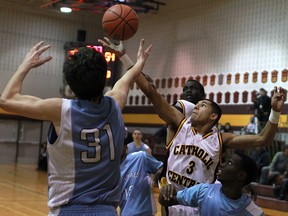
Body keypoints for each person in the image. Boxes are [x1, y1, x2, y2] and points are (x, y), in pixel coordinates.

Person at [97, 37, 286, 215]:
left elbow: (263, 139)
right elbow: (149, 89)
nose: (196, 107)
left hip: (199, 205)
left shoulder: (221, 139)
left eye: (202, 105)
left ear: (213, 116)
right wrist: (124, 56)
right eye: (196, 105)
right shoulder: (179, 124)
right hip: (171, 199)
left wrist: (275, 111)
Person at [0, 39, 152, 215]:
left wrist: (25, 65)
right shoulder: (115, 104)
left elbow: (6, 99)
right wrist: (137, 60)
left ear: (70, 85)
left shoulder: (60, 110)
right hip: (106, 210)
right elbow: (129, 76)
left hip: (67, 210)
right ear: (104, 79)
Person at [158, 152, 264, 216]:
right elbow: (166, 201)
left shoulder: (254, 213)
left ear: (241, 176)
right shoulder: (203, 191)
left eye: (230, 162)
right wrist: (165, 193)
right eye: (224, 160)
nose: (221, 164)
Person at [119, 142, 163, 215]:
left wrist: (154, 180)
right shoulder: (112, 170)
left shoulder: (141, 156)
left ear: (125, 148)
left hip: (145, 213)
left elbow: (161, 168)